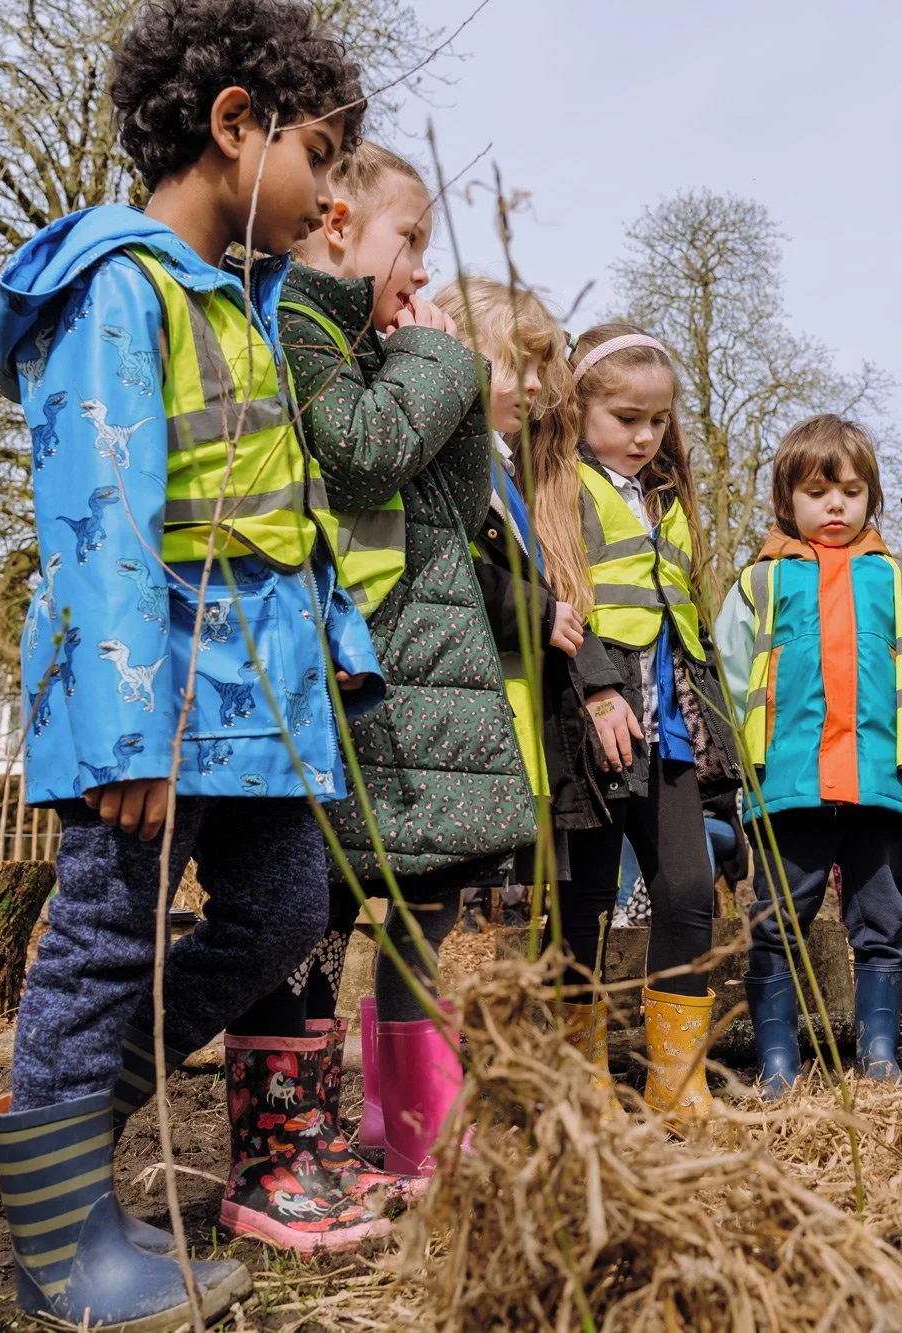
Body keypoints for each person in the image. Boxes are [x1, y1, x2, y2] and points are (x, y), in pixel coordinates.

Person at [0, 0, 385, 1312]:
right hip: (153, 703)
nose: (330, 193)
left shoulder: (253, 308)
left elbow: (289, 515)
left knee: (285, 915)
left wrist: (345, 659)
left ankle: (65, 1125)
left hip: (261, 712)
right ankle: (62, 1251)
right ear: (232, 126)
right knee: (107, 935)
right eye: (317, 157)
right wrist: (123, 729)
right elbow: (97, 517)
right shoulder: (118, 285)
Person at [271, 148, 536, 1183]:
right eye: (409, 242)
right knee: (316, 923)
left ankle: (417, 1132)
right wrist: (438, 369)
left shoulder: (380, 349)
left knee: (420, 927)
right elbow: (364, 452)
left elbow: (459, 501)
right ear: (335, 226)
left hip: (420, 688)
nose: (421, 273)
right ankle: (299, 1137)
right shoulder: (296, 329)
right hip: (354, 687)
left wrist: (448, 382)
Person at [714, 415, 902, 1098]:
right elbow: (730, 678)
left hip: (881, 784)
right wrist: (737, 778)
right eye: (818, 492)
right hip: (789, 787)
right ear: (786, 499)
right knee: (776, 926)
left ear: (872, 499)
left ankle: (878, 1055)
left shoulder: (896, 580)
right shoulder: (758, 584)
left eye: (853, 492)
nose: (836, 505)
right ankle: (778, 1063)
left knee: (882, 924)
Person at [528, 322, 744, 1118]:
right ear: (579, 407)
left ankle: (676, 1079)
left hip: (671, 721)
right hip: (597, 720)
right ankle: (577, 1072)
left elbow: (686, 614)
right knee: (582, 899)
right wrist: (593, 687)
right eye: (626, 418)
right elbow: (561, 592)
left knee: (689, 891)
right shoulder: (561, 487)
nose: (645, 436)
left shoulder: (666, 497)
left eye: (657, 420)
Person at [432, 276, 580, 933]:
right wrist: (541, 611)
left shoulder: (499, 466)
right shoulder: (449, 457)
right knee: (426, 910)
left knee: (440, 913)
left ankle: (426, 1032)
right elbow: (446, 570)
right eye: (519, 366)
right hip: (452, 711)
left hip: (499, 715)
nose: (533, 387)